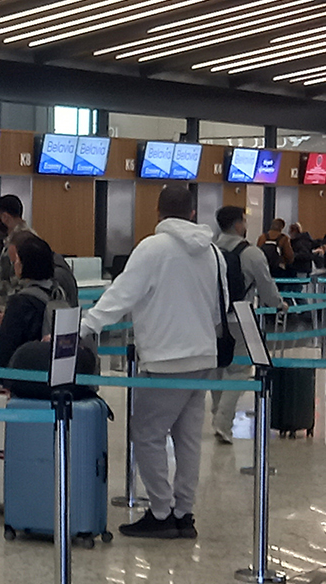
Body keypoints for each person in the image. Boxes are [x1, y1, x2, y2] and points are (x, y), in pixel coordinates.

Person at [80, 185, 224, 540]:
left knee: (146, 434)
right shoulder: (212, 252)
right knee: (188, 439)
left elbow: (121, 295)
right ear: (193, 212)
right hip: (204, 355)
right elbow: (219, 306)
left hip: (165, 358)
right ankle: (183, 512)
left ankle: (161, 511)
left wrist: (86, 326)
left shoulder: (152, 248)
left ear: (158, 211)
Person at [211, 206, 286, 445]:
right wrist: (279, 304)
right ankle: (223, 422)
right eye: (244, 221)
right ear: (237, 225)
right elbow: (266, 288)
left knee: (217, 367)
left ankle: (216, 413)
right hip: (240, 316)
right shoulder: (251, 253)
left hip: (211, 318)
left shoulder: (209, 250)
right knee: (239, 370)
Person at [0, 235, 64, 370]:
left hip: (23, 373)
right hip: (54, 370)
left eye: (17, 260)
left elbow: (4, 351)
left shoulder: (20, 302)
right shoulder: (58, 294)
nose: (15, 264)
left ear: (25, 265)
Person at [0, 194, 36, 315]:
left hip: (15, 312)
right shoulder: (28, 237)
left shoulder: (19, 243)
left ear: (5, 217)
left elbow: (19, 283)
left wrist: (4, 310)